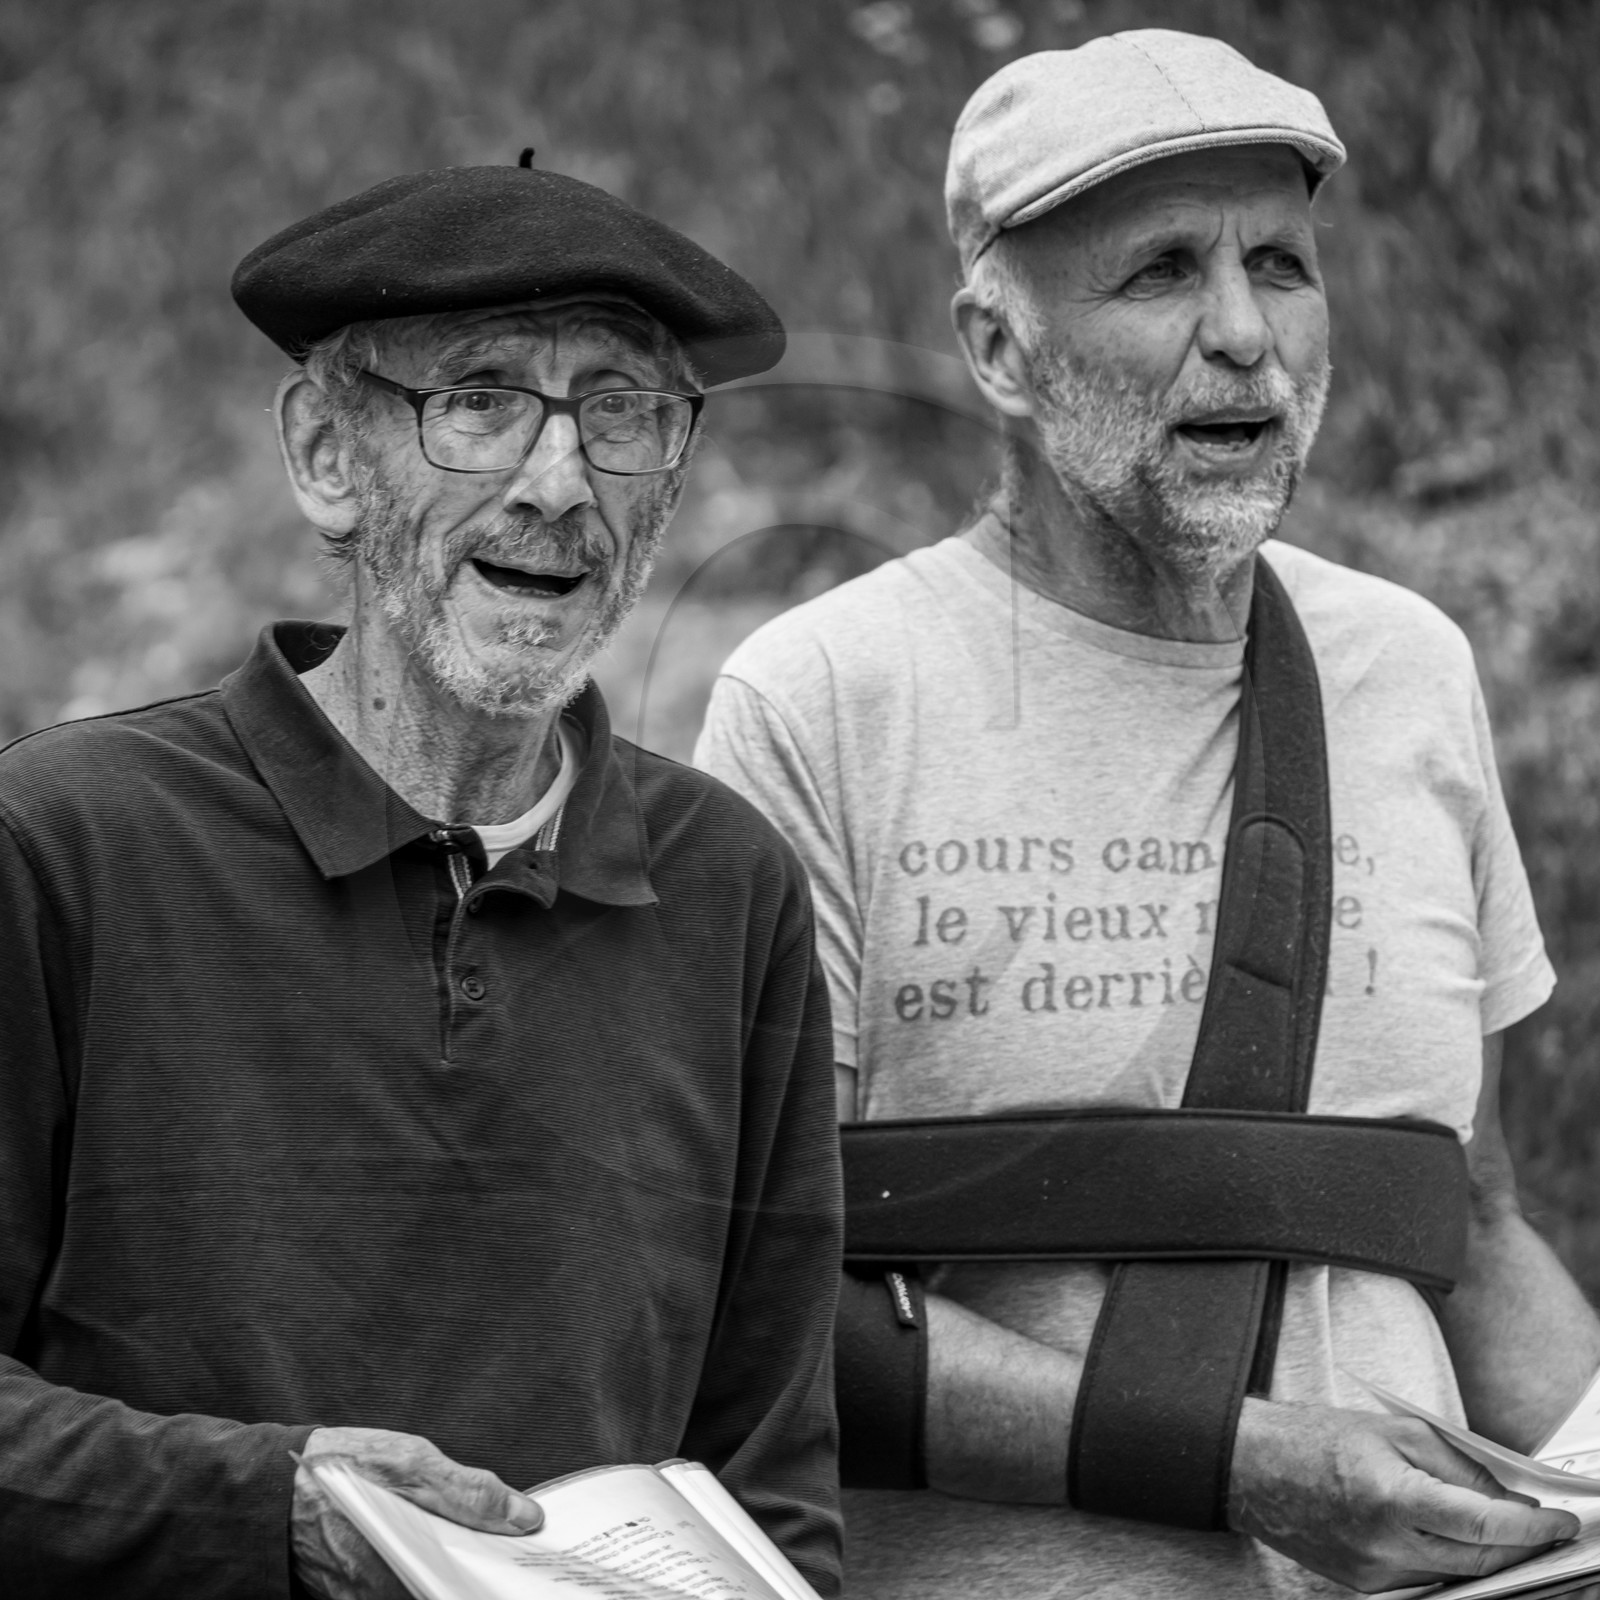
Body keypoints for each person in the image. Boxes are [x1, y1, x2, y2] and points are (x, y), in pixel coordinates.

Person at [696, 29, 1599, 1600]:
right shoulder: (819, 701)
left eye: (1283, 264)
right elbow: (745, 1291)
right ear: (997, 348)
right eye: (1163, 273)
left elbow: (1481, 1213)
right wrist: (1241, 1462)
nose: (1246, 335)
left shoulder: (1411, 669)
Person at [0, 162, 842, 1600]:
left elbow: (775, 1488)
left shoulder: (732, 890)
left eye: (622, 414)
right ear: (329, 456)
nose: (560, 483)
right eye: (482, 401)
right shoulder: (64, 843)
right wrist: (274, 1509)